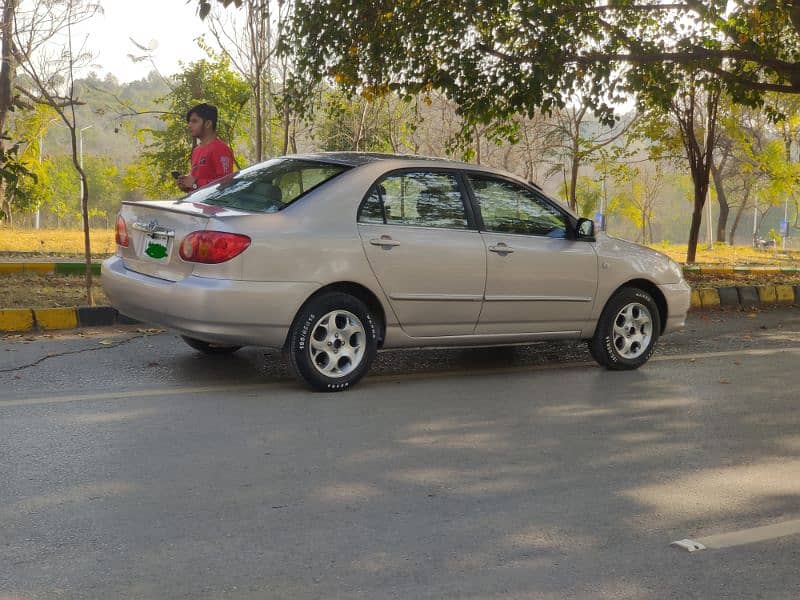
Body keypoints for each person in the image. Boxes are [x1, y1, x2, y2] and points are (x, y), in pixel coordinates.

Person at [176, 103, 235, 193]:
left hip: (213, 206)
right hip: (194, 205)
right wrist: (187, 185)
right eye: (189, 122)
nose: (189, 125)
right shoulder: (196, 150)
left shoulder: (220, 149)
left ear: (208, 124)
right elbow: (196, 184)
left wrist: (194, 183)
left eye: (194, 121)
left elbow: (225, 184)